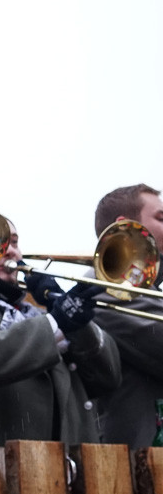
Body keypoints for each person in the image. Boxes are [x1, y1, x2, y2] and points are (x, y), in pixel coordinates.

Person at [0, 216, 121, 443]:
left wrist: (66, 311)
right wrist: (57, 320)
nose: (10, 251)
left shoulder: (37, 312)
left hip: (70, 465)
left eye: (13, 242)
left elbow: (108, 377)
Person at [93, 184, 163, 446]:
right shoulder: (106, 287)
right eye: (160, 218)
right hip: (136, 463)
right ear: (125, 226)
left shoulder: (145, 290)